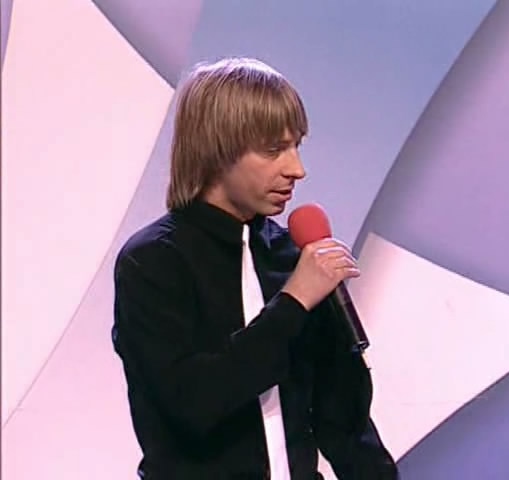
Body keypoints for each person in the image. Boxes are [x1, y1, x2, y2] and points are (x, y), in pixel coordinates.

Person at [112, 57, 398, 480]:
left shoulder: (292, 256)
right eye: (273, 150)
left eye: (297, 146)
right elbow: (192, 405)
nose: (296, 169)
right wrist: (293, 303)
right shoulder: (155, 261)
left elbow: (344, 425)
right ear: (217, 150)